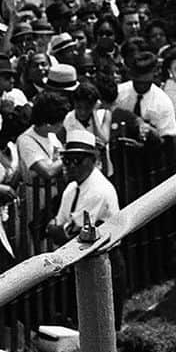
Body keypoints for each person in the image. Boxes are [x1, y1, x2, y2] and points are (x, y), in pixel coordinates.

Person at [46, 130, 125, 327]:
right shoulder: (72, 188)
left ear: (92, 160)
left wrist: (58, 230)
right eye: (67, 160)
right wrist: (59, 229)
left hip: (104, 261)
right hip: (81, 261)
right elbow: (61, 224)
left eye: (78, 160)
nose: (71, 166)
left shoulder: (98, 190)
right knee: (83, 322)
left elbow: (69, 234)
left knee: (106, 325)